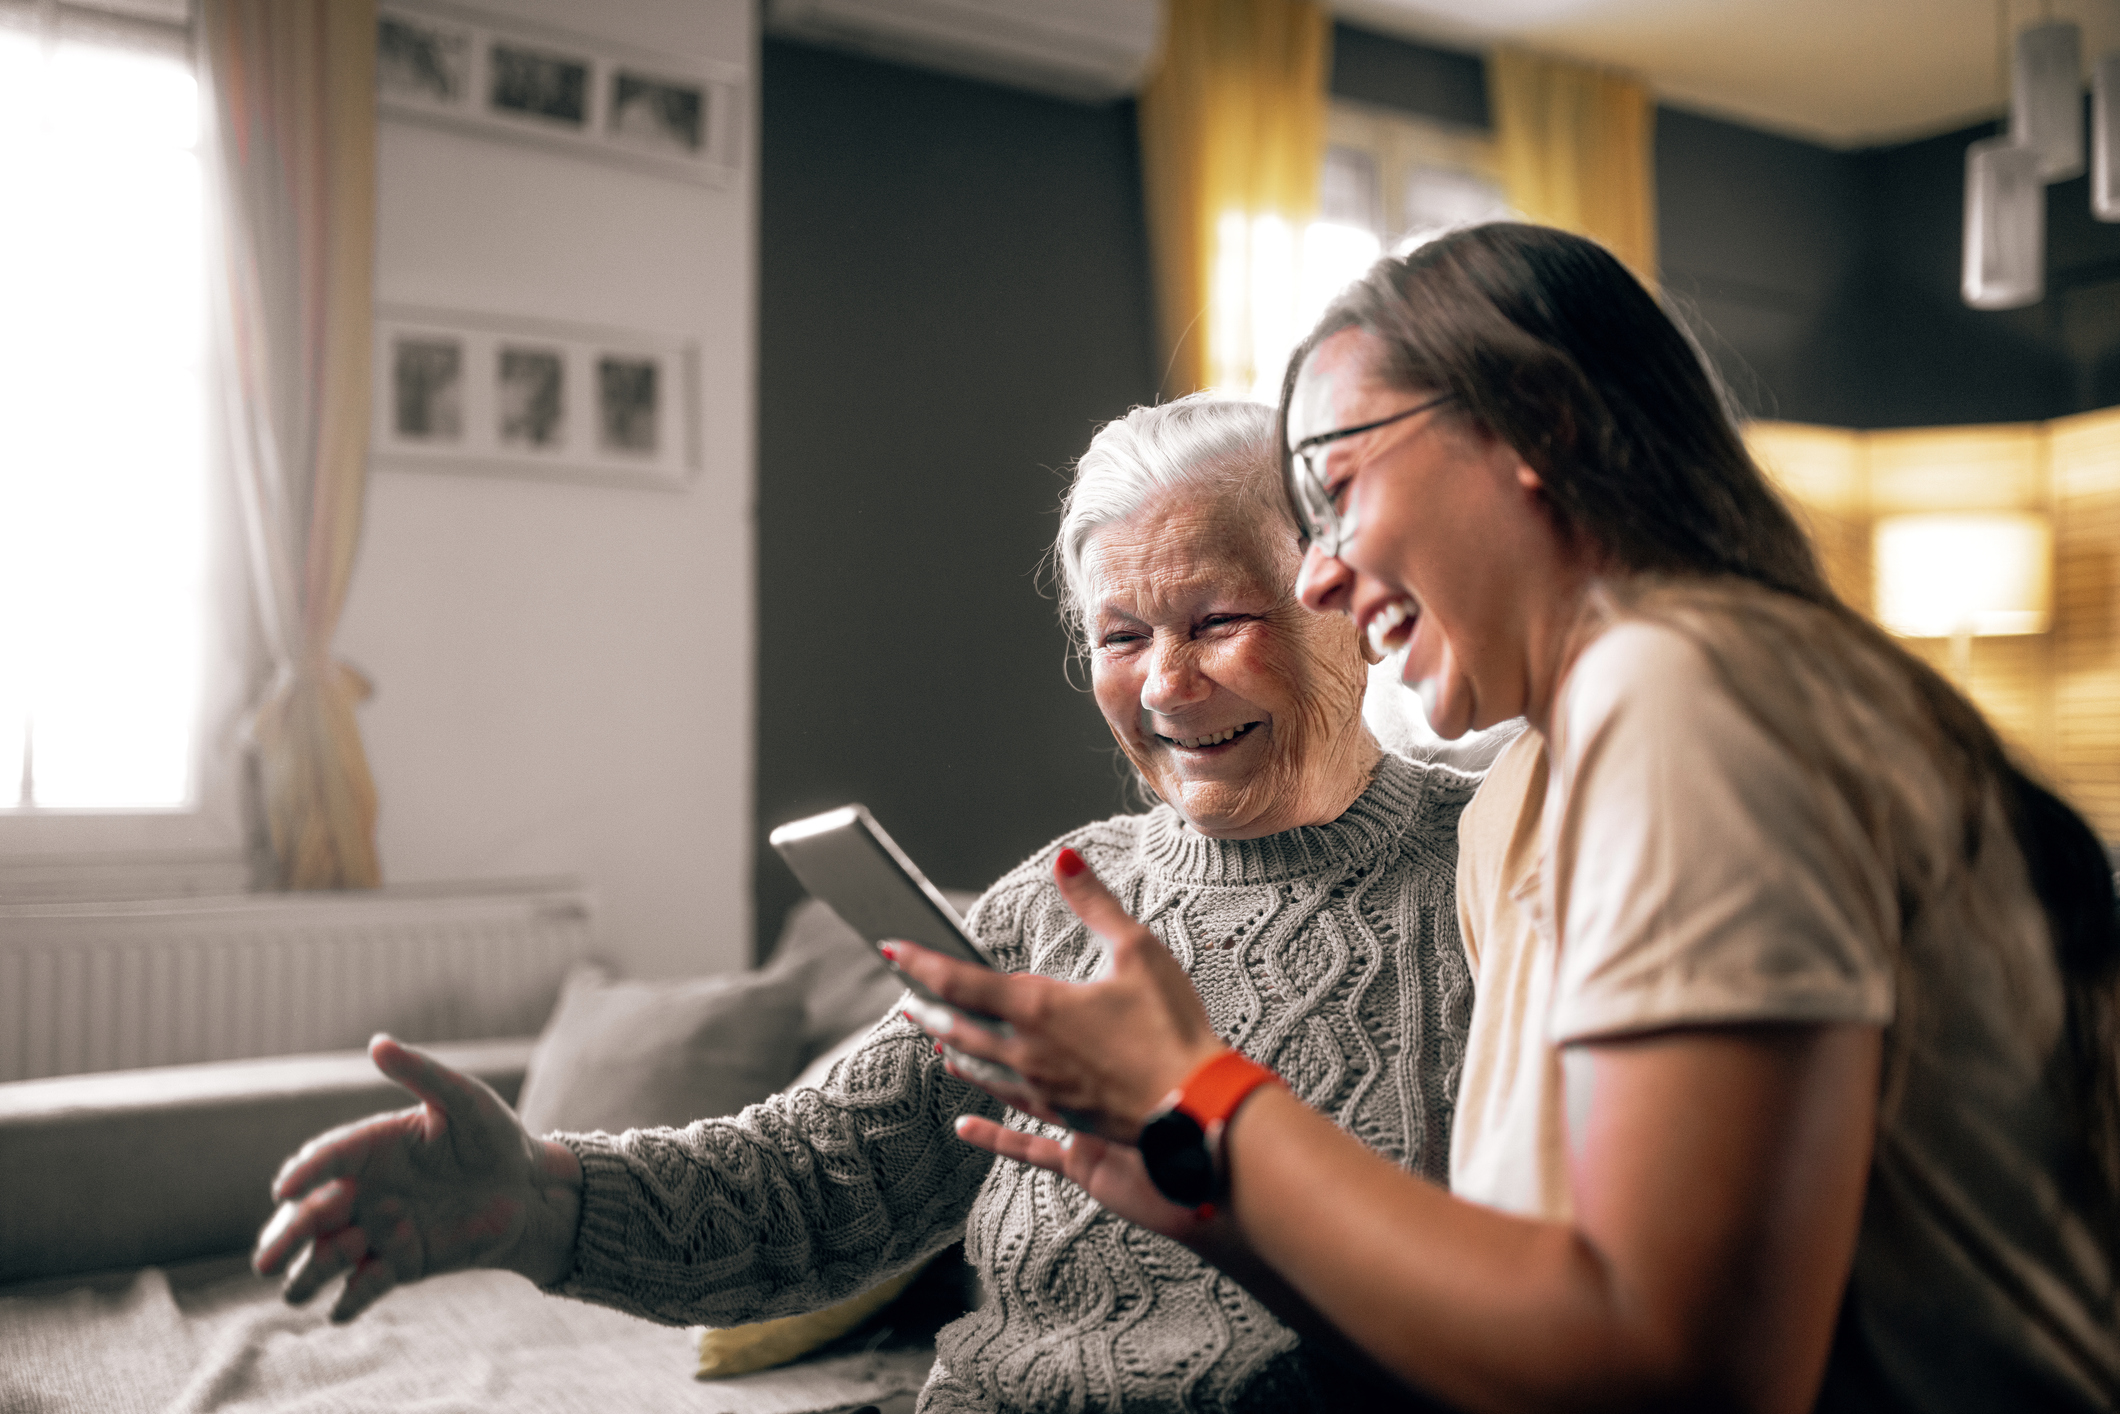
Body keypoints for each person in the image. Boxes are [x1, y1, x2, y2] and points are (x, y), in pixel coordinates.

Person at [888, 224, 2120, 1412]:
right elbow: (1513, 1316)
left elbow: (1679, 1369)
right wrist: (1215, 1200)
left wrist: (1195, 1094)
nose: (1315, 574)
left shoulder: (1684, 690)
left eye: (1336, 486)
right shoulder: (1530, 793)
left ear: (1539, 432)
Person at [254, 394, 1491, 1413]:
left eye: (1216, 620)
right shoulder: (1061, 898)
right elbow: (809, 1180)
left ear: (1350, 605)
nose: (1165, 683)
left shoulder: (1490, 876)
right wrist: (538, 1197)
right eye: (1119, 636)